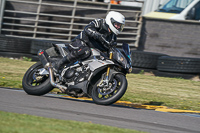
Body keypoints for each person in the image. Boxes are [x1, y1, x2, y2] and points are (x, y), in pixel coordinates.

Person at [52, 11, 125, 73]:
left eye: (120, 25)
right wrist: (98, 35)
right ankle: (59, 64)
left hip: (93, 52)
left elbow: (111, 50)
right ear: (110, 20)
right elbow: (87, 29)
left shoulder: (113, 37)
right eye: (117, 24)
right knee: (85, 51)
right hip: (81, 42)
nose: (118, 27)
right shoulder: (99, 22)